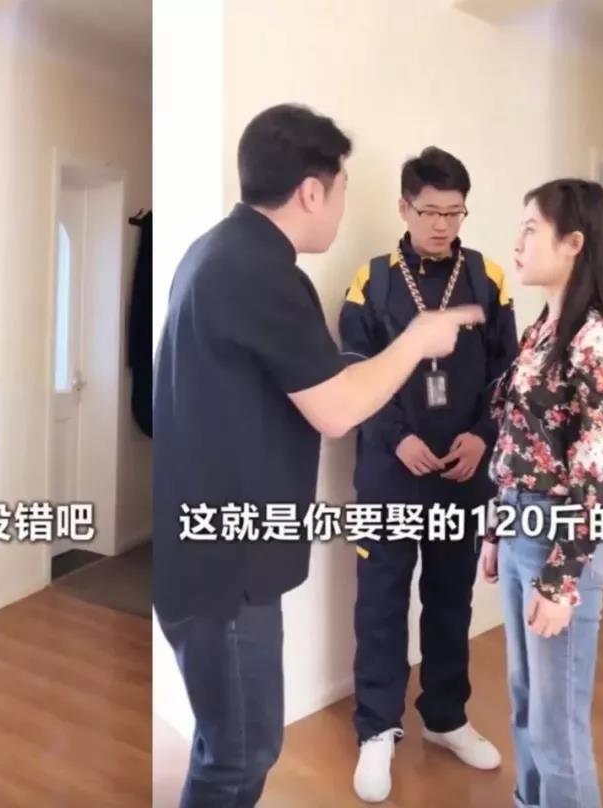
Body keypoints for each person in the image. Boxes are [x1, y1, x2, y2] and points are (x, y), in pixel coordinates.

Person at [152, 103, 485, 808]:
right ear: (311, 190)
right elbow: (335, 410)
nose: (340, 205)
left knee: (238, 747)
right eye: (341, 189)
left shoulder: (222, 253)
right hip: (224, 567)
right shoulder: (261, 273)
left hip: (217, 552)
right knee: (237, 757)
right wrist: (416, 341)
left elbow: (309, 383)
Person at [338, 147, 518, 802]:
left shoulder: (487, 278)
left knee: (449, 598)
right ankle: (377, 728)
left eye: (454, 212)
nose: (442, 224)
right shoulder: (372, 281)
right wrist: (397, 437)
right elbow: (352, 371)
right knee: (380, 603)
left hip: (460, 474)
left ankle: (445, 717)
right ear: (404, 208)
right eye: (430, 211)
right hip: (390, 473)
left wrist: (482, 436)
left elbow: (507, 376)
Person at [480, 179, 603, 808]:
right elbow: (517, 442)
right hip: (520, 525)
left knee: (557, 727)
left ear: (574, 242)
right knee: (525, 704)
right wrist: (495, 529)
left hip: (561, 539)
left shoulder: (599, 340)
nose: (518, 241)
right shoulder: (540, 331)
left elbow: (594, 475)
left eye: (531, 228)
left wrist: (561, 580)